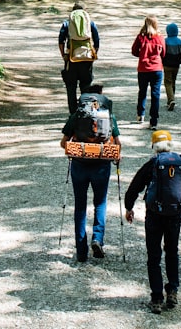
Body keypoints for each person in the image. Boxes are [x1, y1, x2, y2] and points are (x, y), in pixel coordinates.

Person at [125, 130, 181, 314]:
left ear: (154, 146)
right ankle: (172, 290)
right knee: (172, 252)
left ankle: (157, 297)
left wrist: (129, 206)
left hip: (154, 215)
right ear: (170, 145)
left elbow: (135, 186)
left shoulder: (153, 163)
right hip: (175, 215)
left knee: (154, 256)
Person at [60, 86, 121, 262]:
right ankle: (97, 238)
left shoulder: (77, 115)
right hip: (101, 165)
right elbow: (117, 143)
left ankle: (81, 251)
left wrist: (78, 147)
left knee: (80, 206)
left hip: (79, 166)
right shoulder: (109, 116)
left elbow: (64, 143)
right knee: (100, 203)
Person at [59, 3, 101, 114]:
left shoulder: (67, 23)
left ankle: (73, 113)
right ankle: (85, 111)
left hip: (71, 58)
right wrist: (94, 53)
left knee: (71, 87)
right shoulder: (90, 23)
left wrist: (64, 55)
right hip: (86, 58)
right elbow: (97, 41)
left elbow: (61, 41)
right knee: (86, 86)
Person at [131, 16, 165, 129]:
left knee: (142, 92)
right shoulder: (159, 38)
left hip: (143, 68)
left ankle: (140, 114)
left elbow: (134, 51)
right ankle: (154, 121)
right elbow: (164, 53)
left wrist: (142, 56)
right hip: (156, 69)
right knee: (155, 95)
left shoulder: (141, 37)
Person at [162, 22, 181, 112]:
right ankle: (171, 98)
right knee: (173, 81)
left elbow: (162, 53)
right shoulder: (179, 41)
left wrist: (162, 61)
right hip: (176, 65)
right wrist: (179, 61)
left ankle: (171, 99)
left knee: (168, 82)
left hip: (167, 65)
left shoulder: (165, 41)